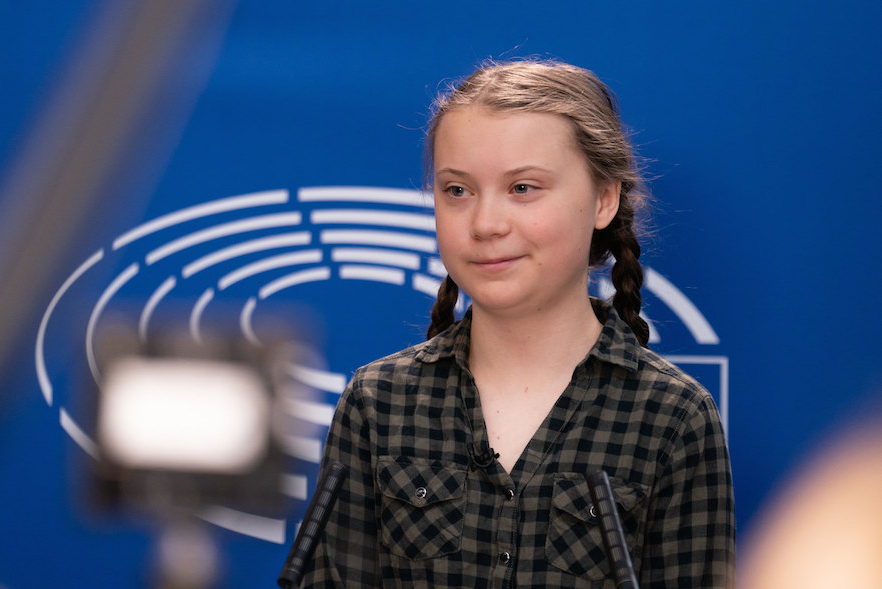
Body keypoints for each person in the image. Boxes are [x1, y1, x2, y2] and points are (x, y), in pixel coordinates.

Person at [300, 59, 735, 588]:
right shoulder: (376, 401)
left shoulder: (674, 417)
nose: (485, 225)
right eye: (457, 190)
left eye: (523, 188)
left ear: (604, 198)